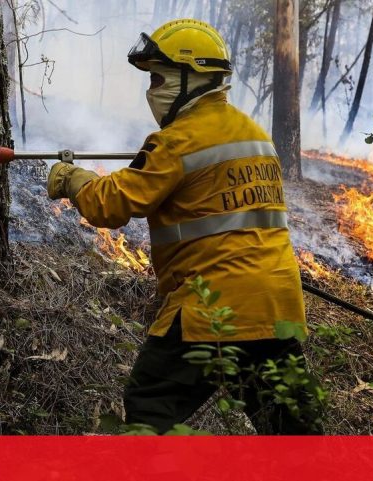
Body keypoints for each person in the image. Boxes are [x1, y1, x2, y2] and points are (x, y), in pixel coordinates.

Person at [46, 18, 318, 434]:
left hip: (210, 305)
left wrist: (72, 179)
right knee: (290, 428)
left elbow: (113, 205)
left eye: (158, 78)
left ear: (190, 78)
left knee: (150, 406)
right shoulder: (254, 134)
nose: (152, 90)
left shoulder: (176, 141)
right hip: (275, 303)